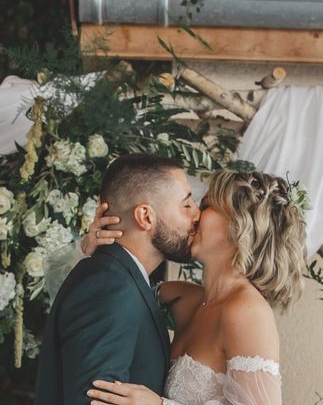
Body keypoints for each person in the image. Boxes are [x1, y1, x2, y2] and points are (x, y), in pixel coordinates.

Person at [84, 169, 308, 405]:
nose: (196, 215)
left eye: (207, 205)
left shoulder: (247, 312)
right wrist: (96, 250)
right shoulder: (181, 297)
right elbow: (107, 297)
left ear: (240, 226)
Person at [35, 153, 201, 404]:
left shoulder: (122, 278)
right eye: (186, 204)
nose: (197, 215)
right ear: (145, 217)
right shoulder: (110, 287)